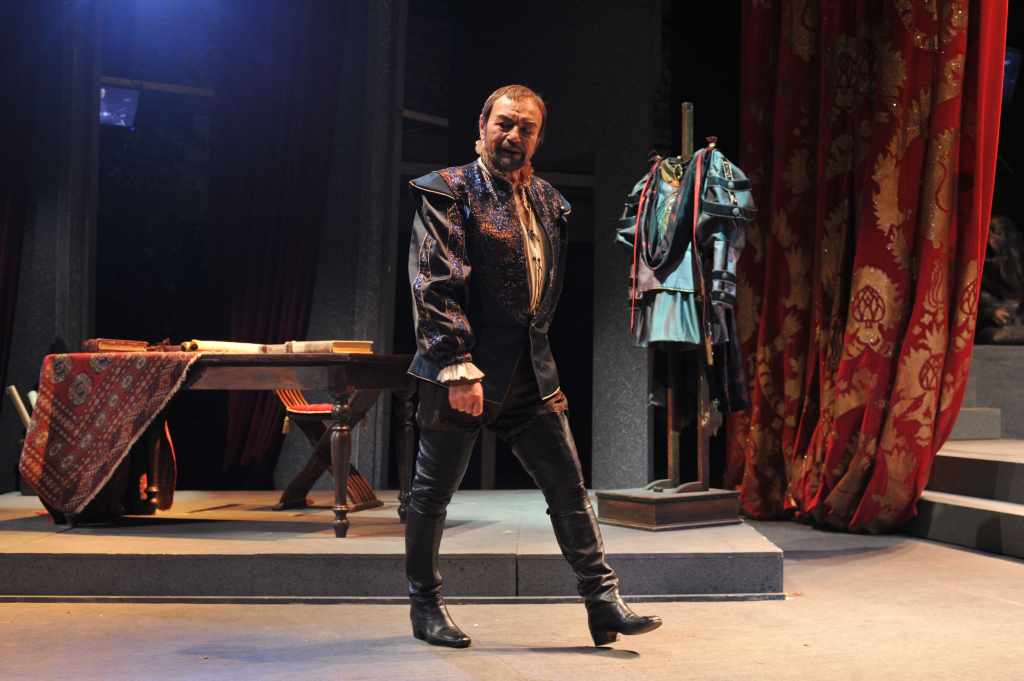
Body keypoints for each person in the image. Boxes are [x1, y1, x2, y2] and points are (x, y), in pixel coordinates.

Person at [405, 84, 661, 648]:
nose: (513, 136)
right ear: (482, 126)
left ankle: (602, 602)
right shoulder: (448, 191)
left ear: (538, 138)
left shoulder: (549, 201)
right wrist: (456, 362)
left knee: (569, 488)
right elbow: (434, 282)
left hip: (530, 371)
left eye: (526, 128)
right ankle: (425, 607)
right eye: (504, 124)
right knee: (432, 494)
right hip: (462, 371)